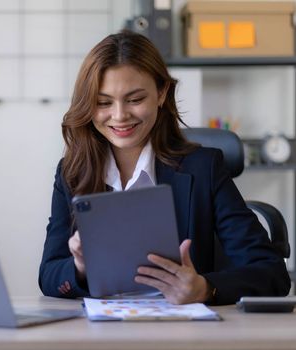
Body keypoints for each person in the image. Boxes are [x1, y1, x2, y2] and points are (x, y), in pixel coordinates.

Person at [38, 30, 290, 305]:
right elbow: (49, 275)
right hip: (100, 333)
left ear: (161, 93)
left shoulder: (204, 169)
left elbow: (272, 274)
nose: (120, 115)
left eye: (135, 99)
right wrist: (81, 268)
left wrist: (206, 288)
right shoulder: (72, 172)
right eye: (103, 102)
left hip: (183, 335)